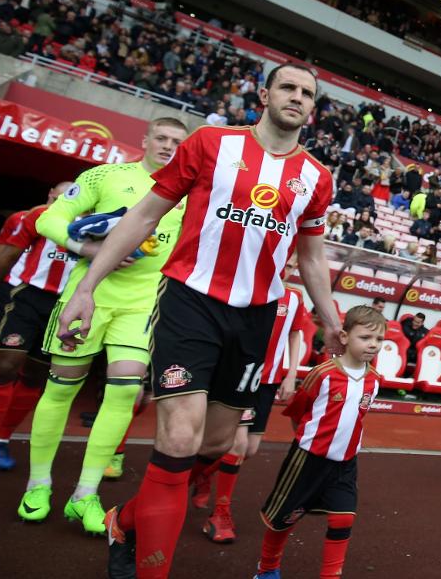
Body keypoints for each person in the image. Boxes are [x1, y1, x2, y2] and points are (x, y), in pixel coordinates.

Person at [56, 63, 341, 579]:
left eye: (307, 92)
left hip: (256, 316)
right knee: (180, 440)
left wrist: (331, 319)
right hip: (190, 300)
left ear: (312, 107)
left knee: (214, 445)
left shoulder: (317, 178)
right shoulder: (211, 143)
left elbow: (314, 259)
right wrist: (86, 288)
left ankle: (126, 520)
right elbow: (142, 216)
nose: (297, 97)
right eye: (288, 87)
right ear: (265, 93)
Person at [16, 117, 189, 535]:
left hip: (143, 303)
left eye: (176, 142)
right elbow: (49, 219)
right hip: (88, 295)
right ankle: (38, 484)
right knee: (61, 387)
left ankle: (85, 494)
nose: (168, 146)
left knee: (127, 390)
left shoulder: (190, 192)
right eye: (161, 138)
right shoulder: (107, 175)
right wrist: (89, 246)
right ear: (145, 140)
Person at [253, 305, 385, 579]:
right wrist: (308, 441)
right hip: (307, 460)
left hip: (346, 463)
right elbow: (299, 412)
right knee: (283, 520)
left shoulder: (374, 380)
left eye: (379, 339)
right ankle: (267, 569)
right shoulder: (323, 373)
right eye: (365, 338)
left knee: (343, 519)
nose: (373, 345)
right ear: (345, 337)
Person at [0, 182, 78, 483]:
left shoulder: (103, 223)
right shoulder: (37, 216)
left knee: (35, 376)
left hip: (63, 305)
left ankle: (2, 439)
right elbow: (1, 258)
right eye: (63, 192)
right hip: (24, 295)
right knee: (4, 366)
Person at [190, 264, 314, 542]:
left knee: (251, 449)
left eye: (293, 264)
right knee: (238, 443)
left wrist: (291, 373)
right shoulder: (247, 287)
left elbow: (296, 334)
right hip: (241, 374)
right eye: (285, 262)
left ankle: (203, 473)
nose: (288, 268)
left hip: (268, 381)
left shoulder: (294, 297)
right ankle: (220, 514)